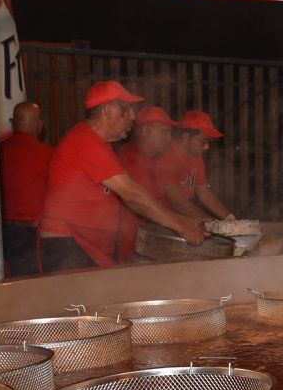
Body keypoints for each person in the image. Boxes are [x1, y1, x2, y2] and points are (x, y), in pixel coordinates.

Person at [37, 81, 204, 271]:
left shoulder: (100, 144)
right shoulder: (85, 142)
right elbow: (133, 196)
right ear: (109, 111)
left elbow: (134, 189)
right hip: (68, 245)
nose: (133, 117)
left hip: (86, 247)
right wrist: (181, 227)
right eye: (127, 110)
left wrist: (181, 220)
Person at [116, 106, 180, 262]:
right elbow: (151, 207)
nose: (169, 139)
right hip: (134, 250)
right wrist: (183, 225)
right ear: (148, 130)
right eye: (165, 132)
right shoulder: (133, 158)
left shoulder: (147, 158)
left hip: (145, 246)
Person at [0, 101, 51, 277]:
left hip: (0, 234)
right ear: (40, 125)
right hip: (33, 235)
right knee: (33, 287)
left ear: (13, 123)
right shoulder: (48, 154)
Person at [157, 110, 235, 222]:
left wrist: (230, 219)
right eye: (203, 141)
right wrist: (209, 221)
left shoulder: (195, 156)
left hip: (184, 220)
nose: (207, 147)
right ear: (186, 137)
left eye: (209, 142)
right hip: (164, 222)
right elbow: (176, 201)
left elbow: (203, 192)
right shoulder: (167, 157)